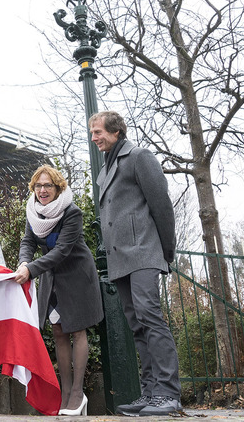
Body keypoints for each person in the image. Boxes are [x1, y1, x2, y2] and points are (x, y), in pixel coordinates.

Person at [89, 111, 182, 416]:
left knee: (150, 317)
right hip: (120, 259)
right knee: (137, 325)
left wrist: (167, 252)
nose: (94, 138)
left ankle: (168, 393)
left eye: (98, 132)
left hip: (143, 251)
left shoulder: (139, 157)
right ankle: (151, 392)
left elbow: (162, 206)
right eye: (92, 133)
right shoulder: (105, 171)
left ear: (116, 132)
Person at [14, 165, 104, 416]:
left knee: (77, 329)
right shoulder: (33, 212)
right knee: (58, 330)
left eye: (48, 186)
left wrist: (31, 270)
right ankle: (65, 393)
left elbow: (62, 250)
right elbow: (28, 241)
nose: (43, 191)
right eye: (38, 186)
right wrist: (24, 261)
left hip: (76, 275)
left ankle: (77, 393)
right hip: (52, 275)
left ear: (58, 188)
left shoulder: (71, 212)